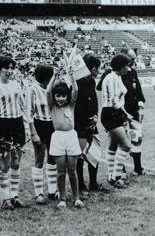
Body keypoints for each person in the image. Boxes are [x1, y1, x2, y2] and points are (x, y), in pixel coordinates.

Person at [0, 56, 29, 209]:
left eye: (12, 68)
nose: (10, 71)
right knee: (4, 165)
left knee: (16, 162)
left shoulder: (16, 85)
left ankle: (15, 196)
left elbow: (23, 106)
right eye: (7, 68)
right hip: (3, 124)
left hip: (17, 123)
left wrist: (26, 124)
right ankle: (5, 198)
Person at [47, 67, 83, 209]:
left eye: (63, 96)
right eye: (58, 96)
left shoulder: (71, 105)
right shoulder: (52, 107)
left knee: (72, 171)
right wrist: (54, 76)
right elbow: (49, 91)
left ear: (67, 97)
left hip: (71, 137)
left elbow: (76, 91)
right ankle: (62, 198)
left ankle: (76, 198)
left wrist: (72, 77)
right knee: (61, 171)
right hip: (58, 138)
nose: (60, 99)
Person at [74, 55, 108, 194]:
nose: (99, 71)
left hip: (91, 123)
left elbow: (93, 102)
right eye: (98, 69)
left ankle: (93, 183)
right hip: (81, 125)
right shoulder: (79, 83)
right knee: (80, 156)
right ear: (93, 69)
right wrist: (87, 121)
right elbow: (77, 107)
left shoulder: (91, 82)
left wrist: (95, 117)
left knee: (95, 153)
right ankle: (81, 185)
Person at [98, 54, 131, 188]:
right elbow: (113, 100)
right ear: (121, 66)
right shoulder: (111, 78)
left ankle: (112, 176)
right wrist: (125, 113)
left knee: (113, 146)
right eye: (126, 66)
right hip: (111, 113)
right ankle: (116, 176)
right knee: (126, 145)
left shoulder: (117, 77)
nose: (128, 69)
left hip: (115, 113)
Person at [27, 65, 58, 205]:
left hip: (53, 125)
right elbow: (29, 113)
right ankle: (39, 193)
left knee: (53, 158)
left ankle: (52, 191)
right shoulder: (32, 89)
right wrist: (33, 133)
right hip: (39, 124)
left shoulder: (53, 88)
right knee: (39, 158)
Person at [121, 49, 146, 176]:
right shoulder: (117, 74)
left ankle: (138, 167)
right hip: (120, 113)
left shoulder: (133, 72)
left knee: (136, 139)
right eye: (131, 59)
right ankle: (121, 169)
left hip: (134, 112)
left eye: (134, 59)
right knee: (122, 140)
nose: (133, 62)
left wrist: (140, 105)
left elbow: (139, 92)